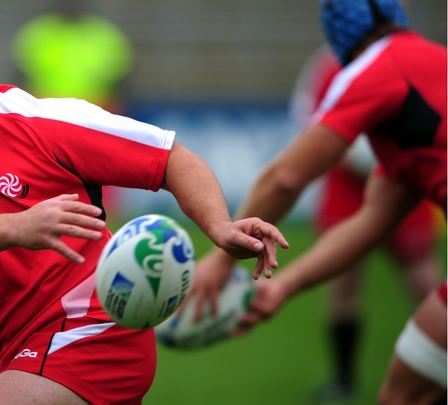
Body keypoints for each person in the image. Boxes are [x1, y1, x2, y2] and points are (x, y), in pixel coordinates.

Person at [0, 20, 289, 405]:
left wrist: (219, 225)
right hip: (14, 349)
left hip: (95, 326)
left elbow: (171, 158)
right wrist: (19, 226)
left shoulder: (45, 121)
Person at [190, 0, 446, 403]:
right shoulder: (430, 69)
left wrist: (222, 259)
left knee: (405, 396)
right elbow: (371, 222)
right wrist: (284, 287)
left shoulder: (376, 68)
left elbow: (285, 177)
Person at [289, 45, 442, 402]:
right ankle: (343, 378)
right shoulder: (329, 67)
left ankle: (437, 360)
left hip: (404, 179)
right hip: (347, 190)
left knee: (423, 280)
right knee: (343, 283)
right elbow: (308, 115)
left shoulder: (409, 60)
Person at [11, 0, 133, 113]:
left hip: (93, 103)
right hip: (47, 103)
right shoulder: (40, 30)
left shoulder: (102, 32)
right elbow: (21, 70)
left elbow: (120, 74)